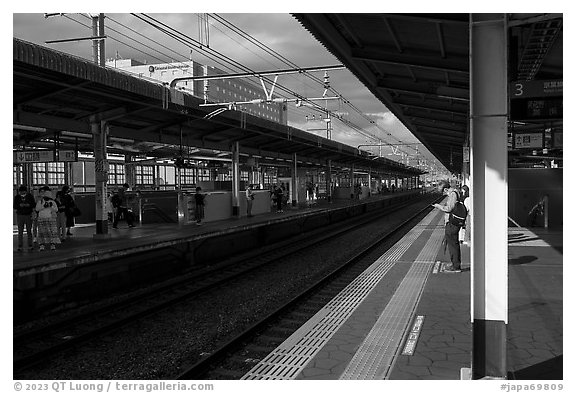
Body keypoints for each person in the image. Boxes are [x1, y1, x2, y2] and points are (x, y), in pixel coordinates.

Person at [432, 180, 463, 273]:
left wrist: (439, 206)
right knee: (453, 244)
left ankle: (456, 266)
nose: (443, 194)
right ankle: (455, 263)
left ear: (446, 189)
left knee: (453, 244)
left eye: (443, 192)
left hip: (452, 223)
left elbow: (449, 209)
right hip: (453, 223)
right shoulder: (455, 193)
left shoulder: (453, 194)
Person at [14, 185, 36, 252]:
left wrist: (28, 205)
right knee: (20, 231)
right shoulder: (17, 197)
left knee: (29, 231)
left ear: (26, 191)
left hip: (28, 215)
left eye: (23, 192)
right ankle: (20, 245)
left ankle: (30, 245)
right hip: (20, 215)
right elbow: (14, 206)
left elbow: (33, 204)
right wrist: (19, 205)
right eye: (21, 192)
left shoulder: (30, 196)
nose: (22, 193)